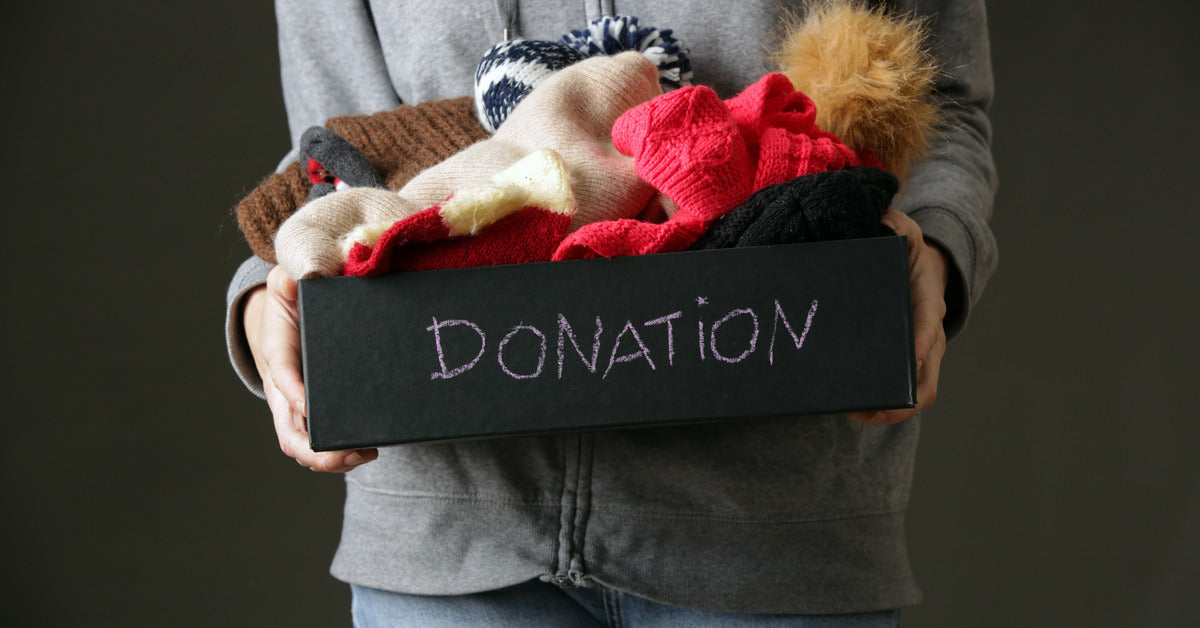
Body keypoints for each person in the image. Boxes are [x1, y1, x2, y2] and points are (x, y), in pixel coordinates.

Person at [225, 1, 997, 625]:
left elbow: (942, 104)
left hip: (774, 535)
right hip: (448, 542)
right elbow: (328, 157)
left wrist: (936, 250)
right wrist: (269, 294)